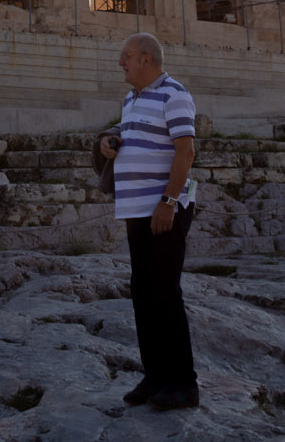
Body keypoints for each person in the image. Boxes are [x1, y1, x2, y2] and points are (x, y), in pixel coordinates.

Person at [97, 32, 199, 411]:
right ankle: (155, 375)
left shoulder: (175, 94)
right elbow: (133, 134)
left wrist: (168, 202)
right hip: (136, 210)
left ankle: (184, 383)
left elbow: (186, 151)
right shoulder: (132, 98)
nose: (119, 62)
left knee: (165, 293)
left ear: (146, 59)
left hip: (163, 209)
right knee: (143, 293)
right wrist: (111, 140)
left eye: (125, 56)